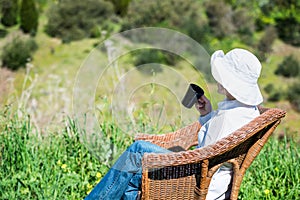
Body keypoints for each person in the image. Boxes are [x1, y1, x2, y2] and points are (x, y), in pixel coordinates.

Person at [84, 48, 263, 200]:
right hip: (213, 182)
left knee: (137, 152)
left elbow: (204, 156)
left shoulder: (227, 119)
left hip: (196, 184)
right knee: (131, 178)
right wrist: (208, 114)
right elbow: (218, 144)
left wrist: (172, 157)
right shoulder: (248, 112)